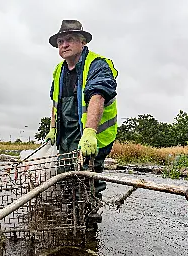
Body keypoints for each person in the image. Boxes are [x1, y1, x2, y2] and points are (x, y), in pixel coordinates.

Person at [44, 19, 118, 202]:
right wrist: (53, 128)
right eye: (60, 42)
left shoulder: (98, 64)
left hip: (93, 137)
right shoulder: (58, 71)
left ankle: (89, 221)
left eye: (69, 39)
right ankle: (71, 217)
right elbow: (55, 103)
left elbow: (98, 95)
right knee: (66, 180)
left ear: (82, 41)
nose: (64, 45)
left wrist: (90, 132)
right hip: (66, 137)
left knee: (86, 182)